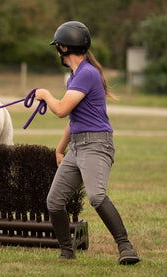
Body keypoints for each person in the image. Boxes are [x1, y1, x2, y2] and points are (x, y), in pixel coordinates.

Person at [34, 21, 141, 265]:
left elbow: (60, 109)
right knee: (54, 201)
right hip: (78, 145)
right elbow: (74, 119)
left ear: (63, 47)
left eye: (58, 47)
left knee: (96, 196)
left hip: (97, 144)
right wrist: (61, 149)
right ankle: (66, 251)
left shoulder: (87, 74)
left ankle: (126, 248)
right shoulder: (75, 77)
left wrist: (45, 94)